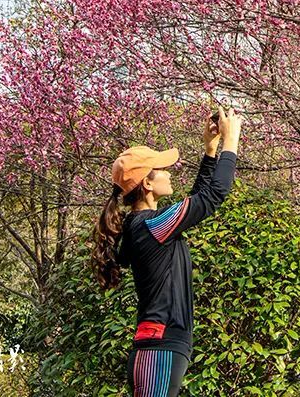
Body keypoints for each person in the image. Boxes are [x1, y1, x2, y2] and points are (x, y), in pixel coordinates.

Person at [90, 107, 240, 397]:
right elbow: (213, 196)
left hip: (161, 348)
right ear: (147, 183)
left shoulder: (148, 226)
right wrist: (230, 141)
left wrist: (211, 152)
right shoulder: (152, 226)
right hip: (158, 350)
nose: (170, 174)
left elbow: (197, 200)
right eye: (162, 169)